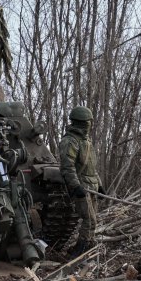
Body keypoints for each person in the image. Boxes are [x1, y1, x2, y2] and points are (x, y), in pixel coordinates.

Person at [57, 105, 102, 257]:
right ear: (83, 122)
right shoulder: (70, 141)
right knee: (89, 220)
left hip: (92, 186)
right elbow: (67, 167)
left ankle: (88, 246)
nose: (90, 125)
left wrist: (100, 185)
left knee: (93, 221)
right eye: (89, 122)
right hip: (81, 186)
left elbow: (92, 167)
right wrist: (76, 186)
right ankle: (79, 252)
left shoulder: (86, 141)